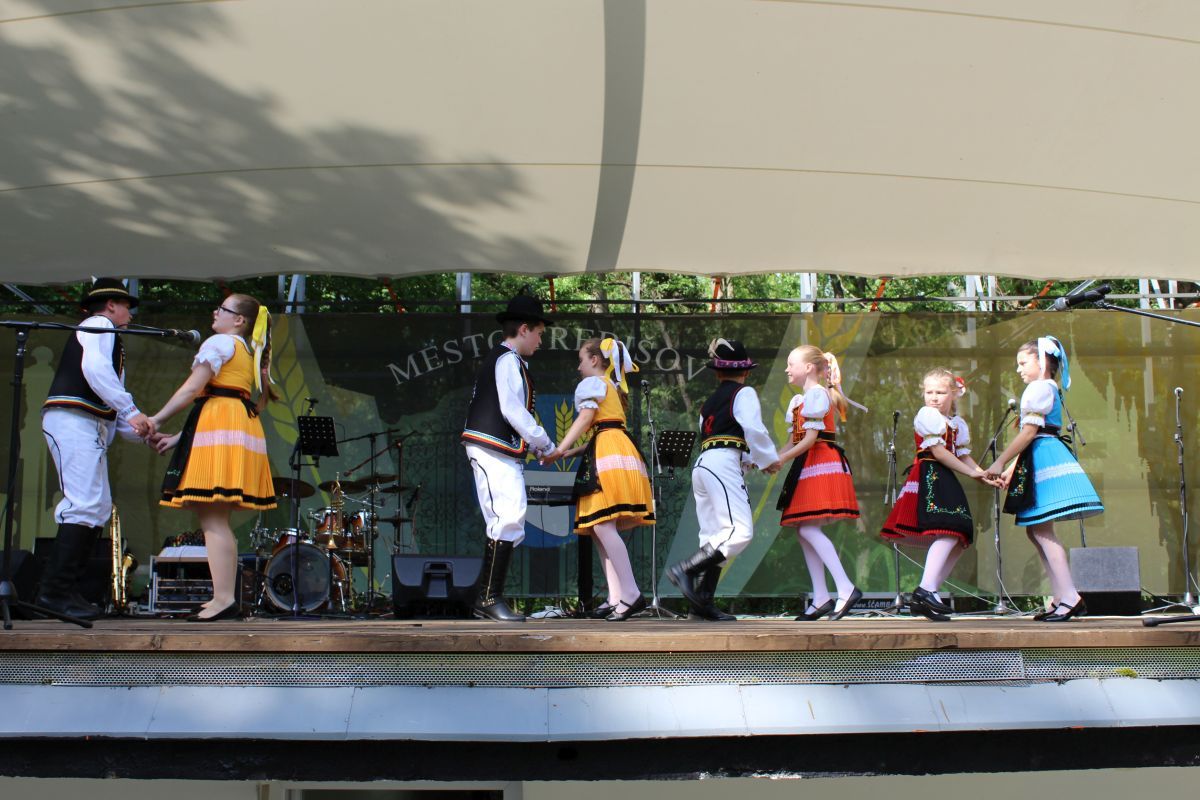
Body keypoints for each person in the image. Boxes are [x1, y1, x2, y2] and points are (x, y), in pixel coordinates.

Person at [149, 294, 277, 621]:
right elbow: (220, 400)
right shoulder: (247, 351)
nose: (215, 312)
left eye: (223, 309)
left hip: (223, 427)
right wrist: (178, 439)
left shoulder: (220, 343)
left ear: (239, 320)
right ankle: (222, 597)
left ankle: (223, 599)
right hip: (235, 427)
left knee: (214, 519)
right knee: (216, 519)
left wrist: (156, 419)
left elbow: (193, 390)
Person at [37, 278, 155, 620]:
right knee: (84, 503)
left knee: (98, 506)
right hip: (72, 420)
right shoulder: (99, 324)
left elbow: (109, 400)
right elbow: (95, 371)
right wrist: (132, 411)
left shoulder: (109, 337)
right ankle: (53, 594)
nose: (130, 314)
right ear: (111, 305)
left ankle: (66, 591)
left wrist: (144, 433)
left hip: (85, 422)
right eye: (127, 306)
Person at [983, 337, 1103, 622]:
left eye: (1023, 363)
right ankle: (1061, 596)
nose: (1019, 369)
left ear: (1043, 361)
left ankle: (1070, 596)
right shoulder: (1048, 388)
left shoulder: (1038, 388)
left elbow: (1028, 434)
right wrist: (1010, 470)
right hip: (1041, 453)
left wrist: (1000, 462)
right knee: (1037, 530)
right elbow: (1033, 436)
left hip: (1044, 457)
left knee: (1041, 530)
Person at [667, 338, 781, 621]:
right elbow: (753, 428)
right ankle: (686, 570)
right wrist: (767, 459)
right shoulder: (744, 393)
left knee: (714, 536)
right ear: (747, 371)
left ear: (717, 372)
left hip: (704, 465)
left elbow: (720, 436)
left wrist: (750, 459)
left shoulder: (707, 404)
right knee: (740, 532)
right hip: (722, 464)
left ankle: (701, 604)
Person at [542, 338, 654, 621]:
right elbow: (603, 429)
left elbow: (585, 419)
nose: (578, 367)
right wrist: (570, 452)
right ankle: (616, 597)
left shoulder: (593, 383)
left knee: (603, 524)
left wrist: (558, 449)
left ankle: (631, 593)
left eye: (581, 360)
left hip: (607, 454)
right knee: (599, 527)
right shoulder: (611, 386)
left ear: (594, 360)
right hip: (616, 449)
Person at [460, 293, 556, 622]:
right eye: (539, 333)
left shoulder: (508, 360)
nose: (540, 341)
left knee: (509, 516)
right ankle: (488, 598)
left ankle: (487, 598)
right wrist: (544, 443)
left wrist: (536, 445)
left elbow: (511, 412)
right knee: (508, 515)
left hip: (496, 447)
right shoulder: (506, 360)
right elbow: (512, 410)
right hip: (490, 447)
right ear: (524, 329)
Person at [881, 369, 994, 621]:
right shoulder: (928, 415)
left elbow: (962, 454)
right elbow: (940, 453)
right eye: (929, 392)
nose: (933, 397)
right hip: (931, 474)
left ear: (953, 393)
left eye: (940, 392)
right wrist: (971, 473)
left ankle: (927, 592)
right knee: (950, 529)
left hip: (945, 476)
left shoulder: (955, 423)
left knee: (960, 535)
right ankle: (926, 591)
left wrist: (982, 474)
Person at [776, 346, 862, 621]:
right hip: (808, 463)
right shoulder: (800, 400)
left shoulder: (817, 394)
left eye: (791, 364)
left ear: (808, 367)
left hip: (820, 462)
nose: (787, 369)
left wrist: (782, 459)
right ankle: (822, 597)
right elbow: (794, 439)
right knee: (804, 531)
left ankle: (846, 587)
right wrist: (770, 459)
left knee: (808, 528)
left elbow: (811, 438)